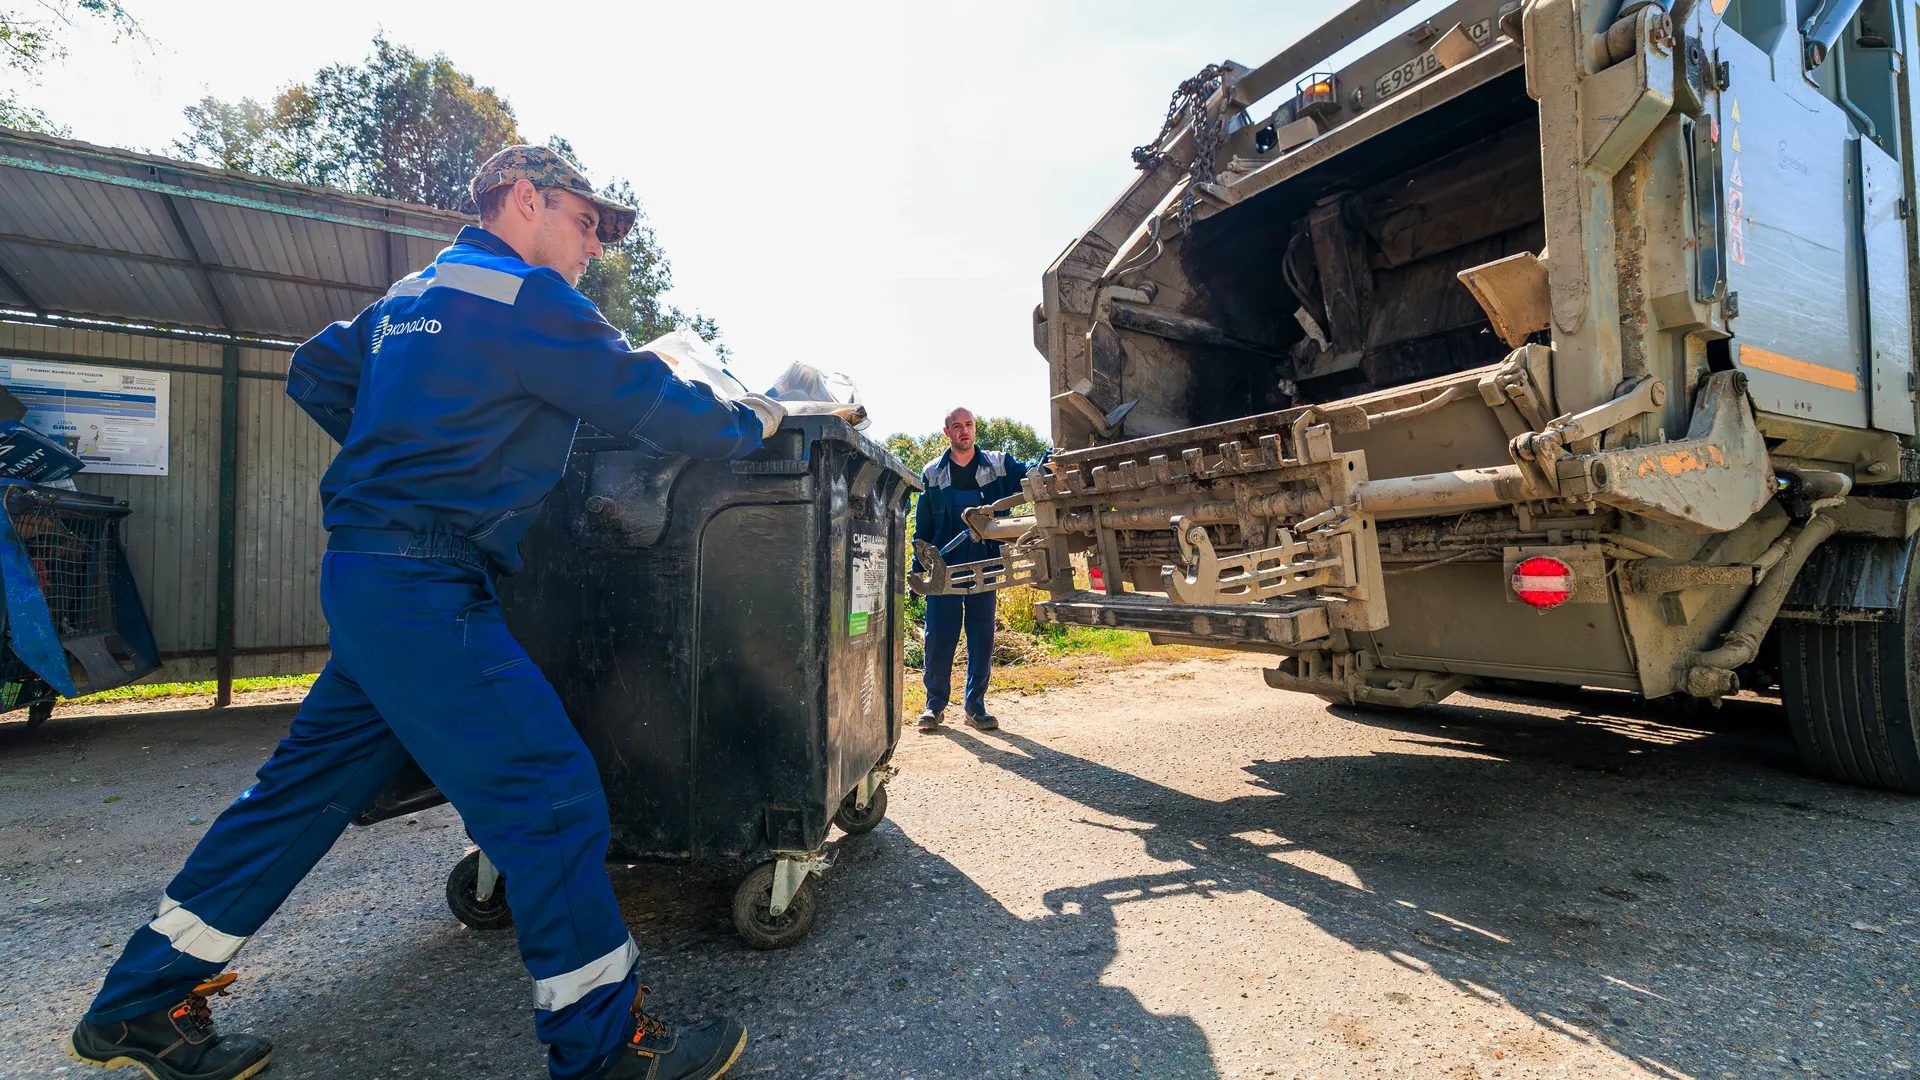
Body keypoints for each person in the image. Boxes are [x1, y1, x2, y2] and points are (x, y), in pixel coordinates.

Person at [66, 147, 780, 1080]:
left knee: (296, 800)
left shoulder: (407, 299)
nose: (595, 244)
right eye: (585, 221)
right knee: (553, 798)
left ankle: (135, 1007)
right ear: (525, 200)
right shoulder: (529, 300)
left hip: (367, 574)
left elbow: (316, 373)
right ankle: (605, 1052)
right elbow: (651, 401)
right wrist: (753, 421)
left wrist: (408, 444)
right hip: (425, 583)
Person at [911, 407, 1033, 733]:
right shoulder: (933, 472)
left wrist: (1049, 461)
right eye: (957, 426)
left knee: (981, 635)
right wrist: (917, 569)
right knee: (939, 637)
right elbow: (923, 526)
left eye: (969, 425)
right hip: (944, 569)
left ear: (974, 428)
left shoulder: (998, 463)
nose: (964, 431)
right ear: (946, 432)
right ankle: (934, 706)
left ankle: (975, 706)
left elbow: (1029, 473)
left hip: (985, 565)